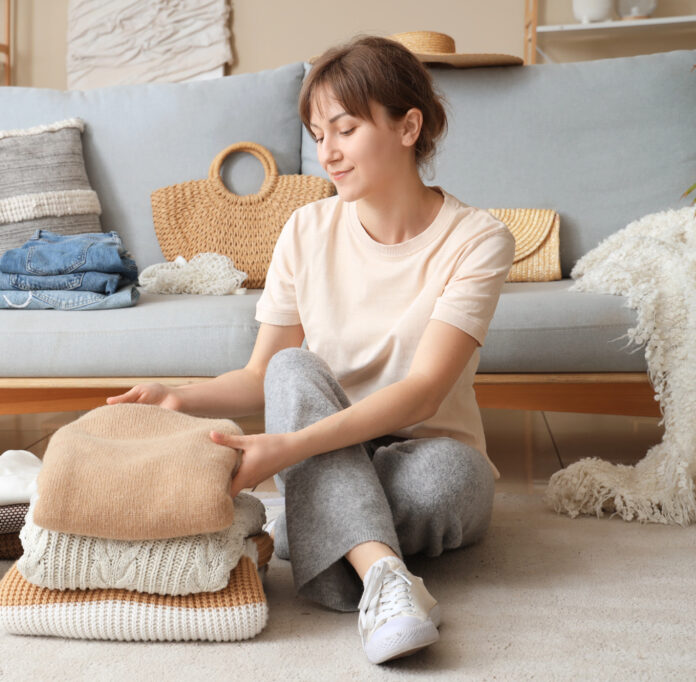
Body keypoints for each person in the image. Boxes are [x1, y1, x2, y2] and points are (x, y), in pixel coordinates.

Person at [108, 35, 515, 665]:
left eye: (345, 130)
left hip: (426, 453)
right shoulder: (306, 228)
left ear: (408, 127)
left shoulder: (477, 240)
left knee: (442, 483)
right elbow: (259, 375)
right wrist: (177, 396)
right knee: (293, 366)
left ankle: (330, 531)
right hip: (329, 444)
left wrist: (290, 452)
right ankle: (384, 576)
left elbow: (425, 390)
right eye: (318, 134)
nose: (327, 153)